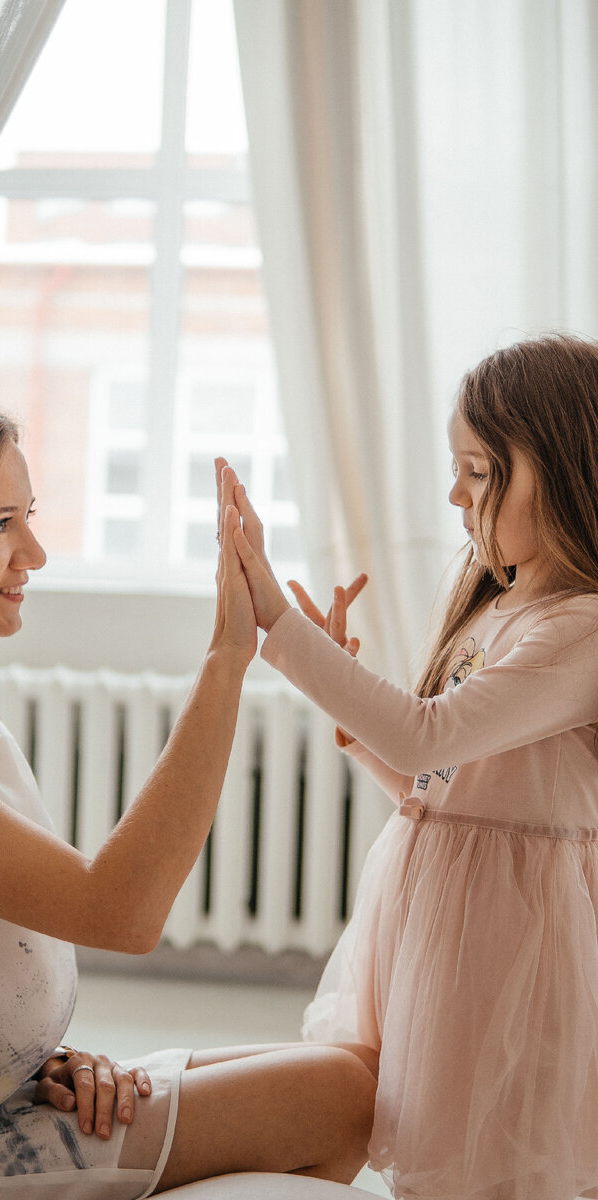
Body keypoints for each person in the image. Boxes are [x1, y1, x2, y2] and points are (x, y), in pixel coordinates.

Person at [0, 386, 376, 1200]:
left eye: (27, 517)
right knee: (340, 1098)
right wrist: (224, 660)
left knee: (352, 1071)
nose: (34, 554)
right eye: (1, 526)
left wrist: (50, 1063)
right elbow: (121, 912)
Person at [225, 332, 598, 1200]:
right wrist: (352, 721)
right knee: (437, 1152)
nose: (455, 493)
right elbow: (443, 790)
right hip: (443, 922)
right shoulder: (498, 611)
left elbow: (424, 736)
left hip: (513, 941)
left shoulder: (579, 628)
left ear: (559, 464)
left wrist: (282, 629)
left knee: (507, 1158)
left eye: (477, 469)